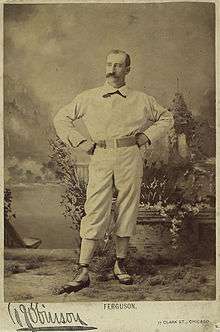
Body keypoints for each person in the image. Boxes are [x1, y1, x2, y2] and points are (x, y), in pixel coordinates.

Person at [53, 49, 174, 293]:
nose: (112, 70)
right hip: (101, 154)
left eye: (118, 65)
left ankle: (120, 264)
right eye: (109, 64)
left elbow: (166, 118)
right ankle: (84, 270)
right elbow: (60, 118)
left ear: (128, 69)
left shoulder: (142, 99)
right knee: (95, 206)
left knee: (127, 207)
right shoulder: (88, 97)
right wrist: (80, 141)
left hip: (130, 155)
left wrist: (147, 136)